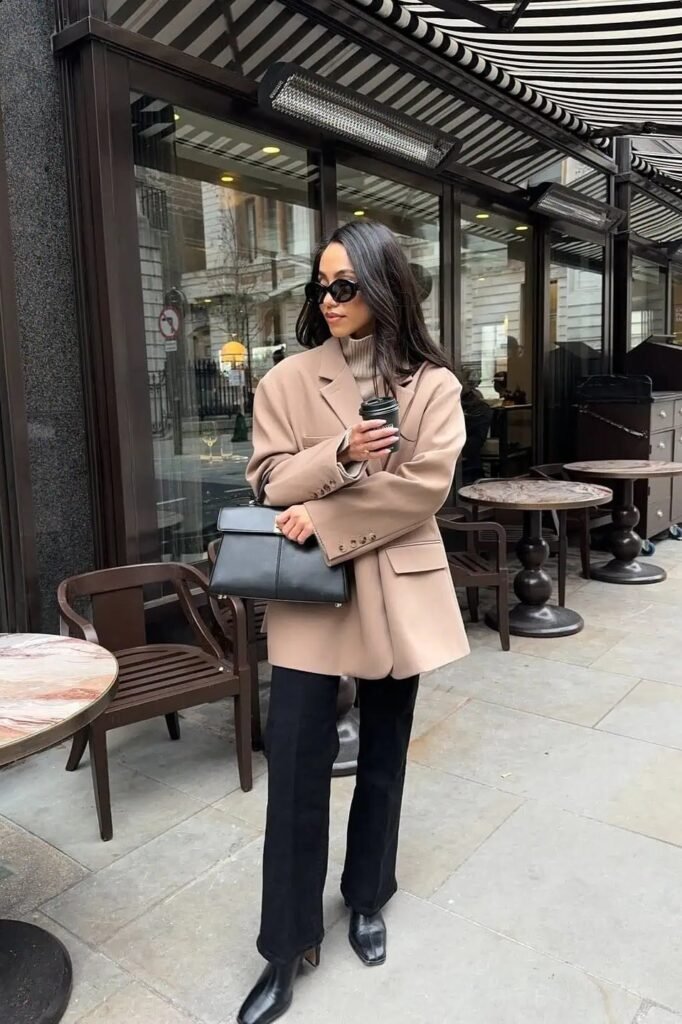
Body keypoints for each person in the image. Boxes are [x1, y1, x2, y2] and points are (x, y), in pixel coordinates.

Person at [238, 219, 469, 1024]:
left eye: (345, 285)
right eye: (321, 286)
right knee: (295, 769)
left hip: (396, 591)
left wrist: (325, 518)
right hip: (308, 594)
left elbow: (425, 487)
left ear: (382, 286)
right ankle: (285, 944)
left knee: (383, 758)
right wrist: (337, 452)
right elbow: (267, 482)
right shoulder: (287, 380)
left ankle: (368, 896)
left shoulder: (433, 384)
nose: (330, 300)